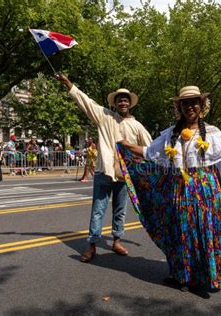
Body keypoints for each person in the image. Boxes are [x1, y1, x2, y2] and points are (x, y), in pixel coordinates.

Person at [118, 86, 221, 293]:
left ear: (202, 106)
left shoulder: (212, 133)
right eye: (185, 103)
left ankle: (210, 276)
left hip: (206, 188)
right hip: (178, 188)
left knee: (206, 229)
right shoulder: (170, 135)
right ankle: (183, 275)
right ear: (180, 107)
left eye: (194, 102)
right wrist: (125, 145)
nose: (190, 107)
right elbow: (149, 152)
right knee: (182, 230)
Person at [57, 73, 152, 262]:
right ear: (115, 104)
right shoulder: (105, 117)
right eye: (119, 100)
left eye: (125, 100)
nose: (123, 103)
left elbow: (150, 149)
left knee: (120, 209)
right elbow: (85, 101)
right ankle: (92, 245)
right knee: (98, 209)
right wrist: (68, 83)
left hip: (124, 174)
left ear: (129, 104)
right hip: (104, 171)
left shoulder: (137, 126)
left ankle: (117, 240)